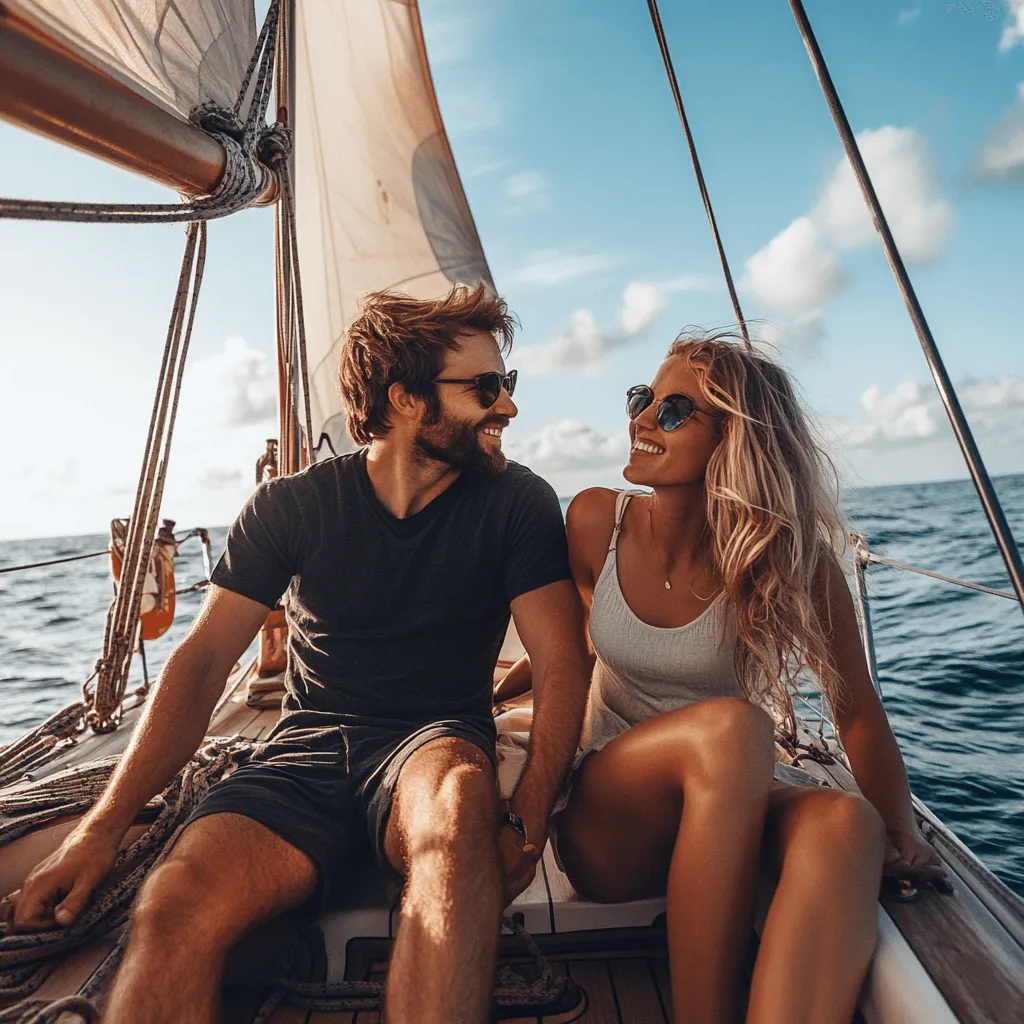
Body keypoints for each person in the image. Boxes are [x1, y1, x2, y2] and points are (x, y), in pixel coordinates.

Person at [4, 285, 590, 1024]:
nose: (506, 406)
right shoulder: (290, 506)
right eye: (485, 387)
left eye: (508, 385)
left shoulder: (517, 504)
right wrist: (101, 828)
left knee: (457, 810)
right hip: (301, 756)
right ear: (406, 398)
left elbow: (564, 662)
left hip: (431, 743)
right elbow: (205, 659)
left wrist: (527, 827)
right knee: (175, 898)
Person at [495, 331, 946, 1024]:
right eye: (643, 398)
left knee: (846, 824)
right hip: (611, 819)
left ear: (734, 442)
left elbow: (855, 710)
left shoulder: (789, 561)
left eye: (673, 411)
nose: (642, 418)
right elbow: (569, 657)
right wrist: (498, 716)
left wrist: (898, 826)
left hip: (729, 802)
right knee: (736, 729)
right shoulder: (593, 522)